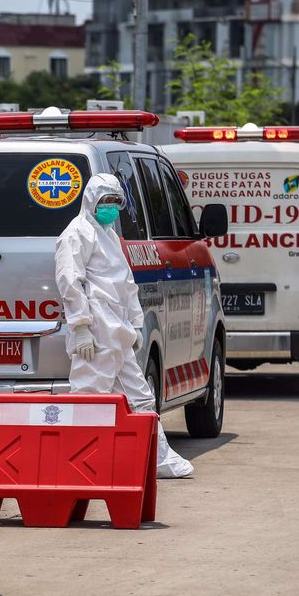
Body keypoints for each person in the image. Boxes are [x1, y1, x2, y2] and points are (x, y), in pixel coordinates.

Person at [55, 172, 194, 479]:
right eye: (106, 201)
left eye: (117, 202)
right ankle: (79, 464)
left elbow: (127, 284)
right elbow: (69, 282)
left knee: (141, 398)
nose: (112, 208)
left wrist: (135, 324)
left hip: (117, 333)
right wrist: (80, 327)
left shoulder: (110, 236)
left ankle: (155, 459)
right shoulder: (77, 233)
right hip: (95, 333)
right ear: (91, 201)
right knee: (90, 399)